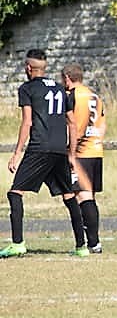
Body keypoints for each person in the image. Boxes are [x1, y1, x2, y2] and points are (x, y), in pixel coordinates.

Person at [1, 49, 86, 258]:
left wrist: (17, 153)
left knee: (15, 193)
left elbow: (27, 122)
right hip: (59, 150)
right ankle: (81, 247)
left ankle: (18, 243)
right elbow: (72, 123)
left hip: (39, 148)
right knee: (69, 196)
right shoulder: (60, 89)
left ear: (28, 68)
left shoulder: (27, 89)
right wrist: (72, 154)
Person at [61, 63, 105, 255]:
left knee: (83, 197)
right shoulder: (95, 96)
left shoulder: (73, 96)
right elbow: (102, 124)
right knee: (90, 197)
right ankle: (93, 242)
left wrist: (71, 153)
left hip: (81, 153)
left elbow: (73, 127)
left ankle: (93, 243)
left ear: (67, 78)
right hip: (96, 150)